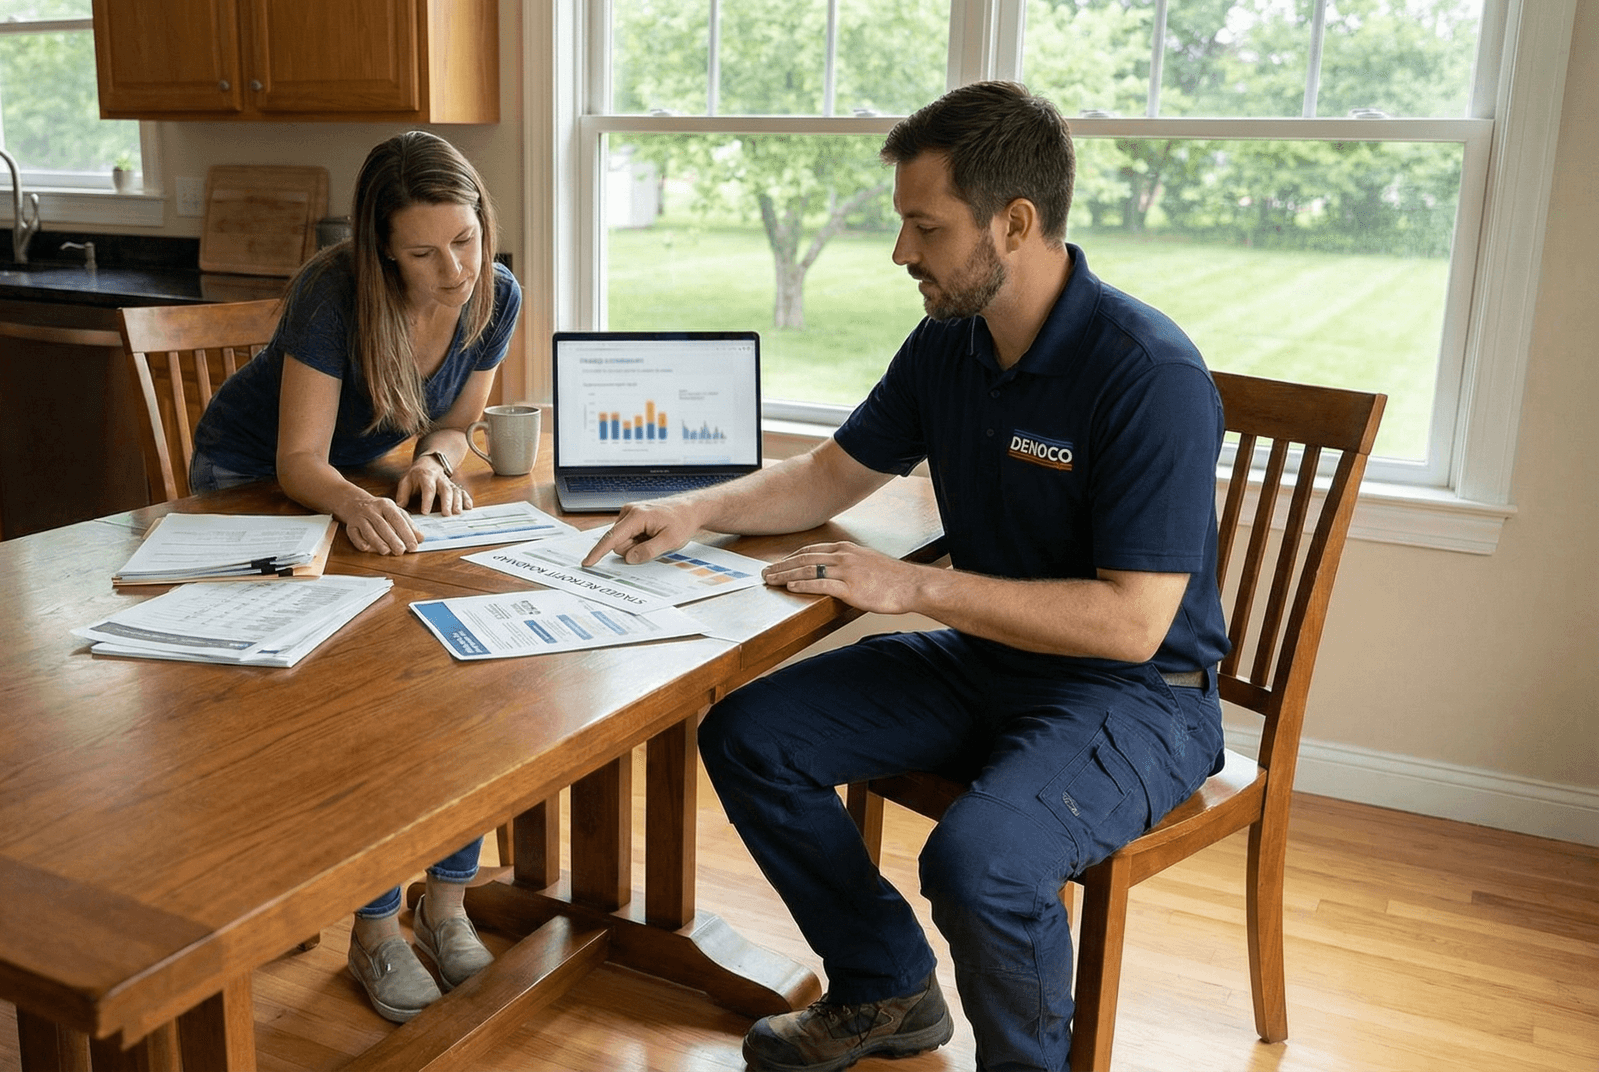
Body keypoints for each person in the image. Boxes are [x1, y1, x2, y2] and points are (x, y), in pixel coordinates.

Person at [583, 82, 1230, 1072]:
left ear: (1014, 224)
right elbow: (828, 475)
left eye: (924, 227)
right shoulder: (948, 345)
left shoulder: (1147, 373)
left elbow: (1133, 622)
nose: (901, 254)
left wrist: (913, 587)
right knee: (750, 733)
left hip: (1138, 697)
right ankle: (886, 985)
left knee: (978, 863)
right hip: (991, 662)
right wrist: (697, 508)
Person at [191, 130, 521, 1023]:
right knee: (342, 703)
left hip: (360, 475)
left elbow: (457, 419)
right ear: (381, 251)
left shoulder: (496, 292)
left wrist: (437, 464)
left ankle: (444, 900)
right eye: (423, 252)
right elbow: (299, 460)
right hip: (253, 480)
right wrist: (349, 501)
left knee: (459, 684)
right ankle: (372, 927)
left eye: (465, 238)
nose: (454, 269)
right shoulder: (331, 291)